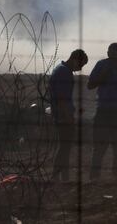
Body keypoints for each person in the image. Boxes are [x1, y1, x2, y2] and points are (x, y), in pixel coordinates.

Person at [88, 43, 117, 179]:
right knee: (99, 146)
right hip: (103, 110)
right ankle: (94, 176)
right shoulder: (101, 65)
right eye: (112, 52)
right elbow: (90, 84)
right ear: (108, 53)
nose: (114, 55)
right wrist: (103, 75)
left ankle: (116, 177)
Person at [49, 49, 88, 181]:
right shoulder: (64, 72)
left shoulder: (60, 69)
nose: (80, 69)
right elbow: (62, 99)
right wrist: (68, 117)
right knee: (64, 148)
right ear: (75, 59)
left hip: (61, 114)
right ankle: (56, 177)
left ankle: (63, 177)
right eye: (81, 65)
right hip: (63, 116)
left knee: (64, 147)